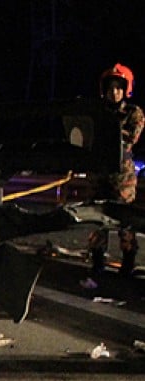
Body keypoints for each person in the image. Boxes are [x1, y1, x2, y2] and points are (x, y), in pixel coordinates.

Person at [84, 64, 143, 286]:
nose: (114, 92)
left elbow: (129, 139)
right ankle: (97, 262)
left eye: (119, 88)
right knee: (96, 221)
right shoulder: (96, 112)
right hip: (98, 175)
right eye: (111, 88)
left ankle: (127, 263)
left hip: (122, 178)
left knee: (124, 222)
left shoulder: (133, 113)